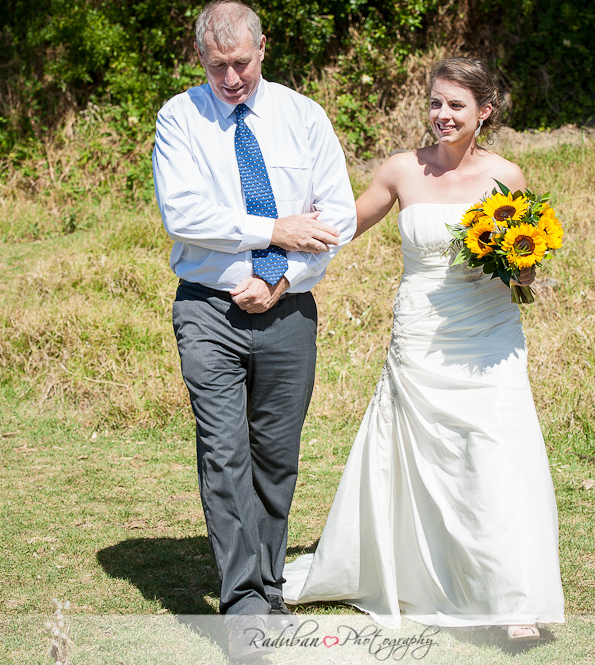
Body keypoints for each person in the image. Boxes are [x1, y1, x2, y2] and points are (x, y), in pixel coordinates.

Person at [282, 58, 565, 644]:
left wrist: (522, 262)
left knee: (499, 453)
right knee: (421, 456)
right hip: (421, 336)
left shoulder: (506, 177)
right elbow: (339, 229)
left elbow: (527, 267)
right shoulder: (401, 171)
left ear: (484, 112)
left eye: (456, 105)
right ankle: (415, 571)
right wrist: (277, 252)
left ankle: (513, 597)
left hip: (488, 335)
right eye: (435, 102)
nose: (442, 115)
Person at [152, 1, 357, 658]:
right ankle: (241, 603)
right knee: (224, 450)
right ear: (199, 60)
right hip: (207, 308)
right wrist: (273, 231)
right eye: (218, 67)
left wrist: (281, 276)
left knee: (276, 454)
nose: (232, 77)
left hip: (289, 307)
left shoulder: (303, 116)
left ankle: (268, 582)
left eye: (241, 63)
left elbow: (340, 215)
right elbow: (183, 212)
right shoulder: (180, 118)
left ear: (262, 48)